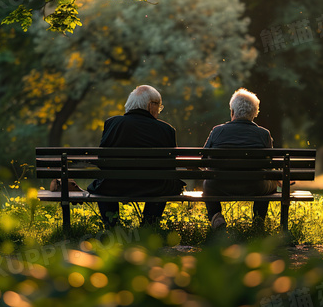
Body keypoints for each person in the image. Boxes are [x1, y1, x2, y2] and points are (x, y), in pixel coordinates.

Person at [86, 85, 184, 229]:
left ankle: (112, 225)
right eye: (159, 107)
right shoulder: (166, 130)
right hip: (154, 187)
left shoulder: (112, 124)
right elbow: (170, 167)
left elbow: (102, 160)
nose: (159, 111)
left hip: (115, 186)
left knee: (104, 182)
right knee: (165, 182)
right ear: (151, 105)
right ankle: (149, 226)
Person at [202, 88, 277, 230]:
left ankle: (216, 217)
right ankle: (258, 221)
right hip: (254, 186)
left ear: (232, 112)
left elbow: (203, 159)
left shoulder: (217, 131)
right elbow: (269, 163)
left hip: (218, 186)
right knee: (270, 181)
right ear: (254, 113)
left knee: (207, 184)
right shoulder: (264, 134)